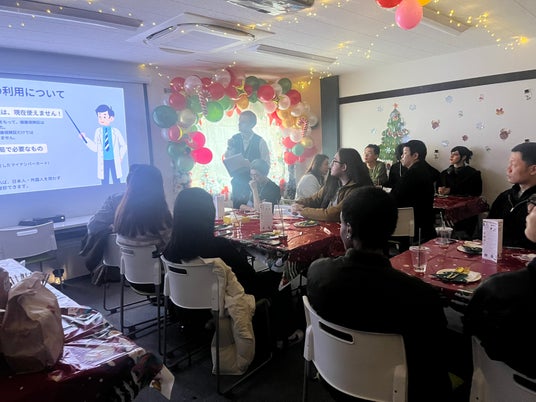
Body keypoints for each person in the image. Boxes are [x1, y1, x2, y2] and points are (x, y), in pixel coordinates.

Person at [307, 187, 452, 401]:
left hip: (334, 379)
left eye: (342, 224)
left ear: (349, 230)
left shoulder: (318, 273)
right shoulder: (420, 297)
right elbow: (436, 356)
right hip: (396, 391)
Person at [163, 187, 298, 348]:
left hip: (188, 306)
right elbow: (249, 277)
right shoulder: (218, 247)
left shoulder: (169, 250)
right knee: (281, 278)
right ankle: (286, 333)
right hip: (226, 299)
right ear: (208, 214)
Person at [463, 192, 536, 379]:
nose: (529, 207)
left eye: (535, 204)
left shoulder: (501, 289)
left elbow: (471, 326)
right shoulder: (504, 197)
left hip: (499, 381)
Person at [79, 164, 141, 276]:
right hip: (153, 270)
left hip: (120, 265)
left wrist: (113, 227)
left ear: (128, 183)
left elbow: (93, 226)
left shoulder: (115, 200)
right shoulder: (159, 209)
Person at [291, 148, 373, 222]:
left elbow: (332, 214)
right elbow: (314, 199)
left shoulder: (357, 190)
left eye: (334, 161)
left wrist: (302, 211)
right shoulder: (333, 183)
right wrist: (297, 203)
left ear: (343, 167)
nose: (330, 165)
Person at [488, 142, 536, 250]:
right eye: (509, 164)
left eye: (513, 165)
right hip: (498, 254)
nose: (508, 169)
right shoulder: (505, 196)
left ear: (533, 169)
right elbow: (489, 226)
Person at [115, 164, 172, 253]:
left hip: (129, 262)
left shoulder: (121, 214)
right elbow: (172, 244)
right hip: (156, 261)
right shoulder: (160, 219)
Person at [391, 140, 436, 243]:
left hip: (412, 225)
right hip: (424, 223)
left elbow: (395, 197)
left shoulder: (412, 173)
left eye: (405, 153)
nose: (401, 156)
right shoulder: (423, 170)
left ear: (415, 155)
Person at [224, 111, 270, 209]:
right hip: (237, 182)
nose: (239, 124)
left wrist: (256, 169)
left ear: (252, 124)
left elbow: (266, 165)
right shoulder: (234, 139)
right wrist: (229, 147)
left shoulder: (260, 141)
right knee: (237, 209)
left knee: (253, 210)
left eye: (243, 122)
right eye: (239, 121)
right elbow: (227, 158)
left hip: (253, 183)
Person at [81, 104, 127, 185]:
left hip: (114, 160)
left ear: (111, 118)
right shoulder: (98, 132)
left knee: (116, 181)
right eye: (99, 117)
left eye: (104, 116)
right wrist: (85, 139)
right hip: (103, 161)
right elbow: (95, 148)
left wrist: (121, 156)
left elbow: (124, 145)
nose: (102, 119)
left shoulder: (116, 131)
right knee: (104, 182)